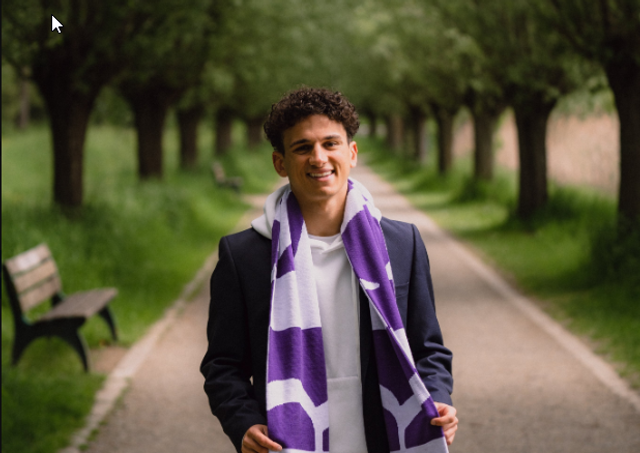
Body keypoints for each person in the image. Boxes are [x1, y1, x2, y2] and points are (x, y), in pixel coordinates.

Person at [201, 87, 458, 453]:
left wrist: (437, 395)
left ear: (351, 153)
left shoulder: (402, 244)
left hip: (384, 437)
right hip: (289, 442)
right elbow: (223, 365)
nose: (318, 158)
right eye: (302, 148)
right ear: (280, 163)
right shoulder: (243, 255)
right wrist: (243, 423)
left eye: (330, 144)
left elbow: (429, 348)